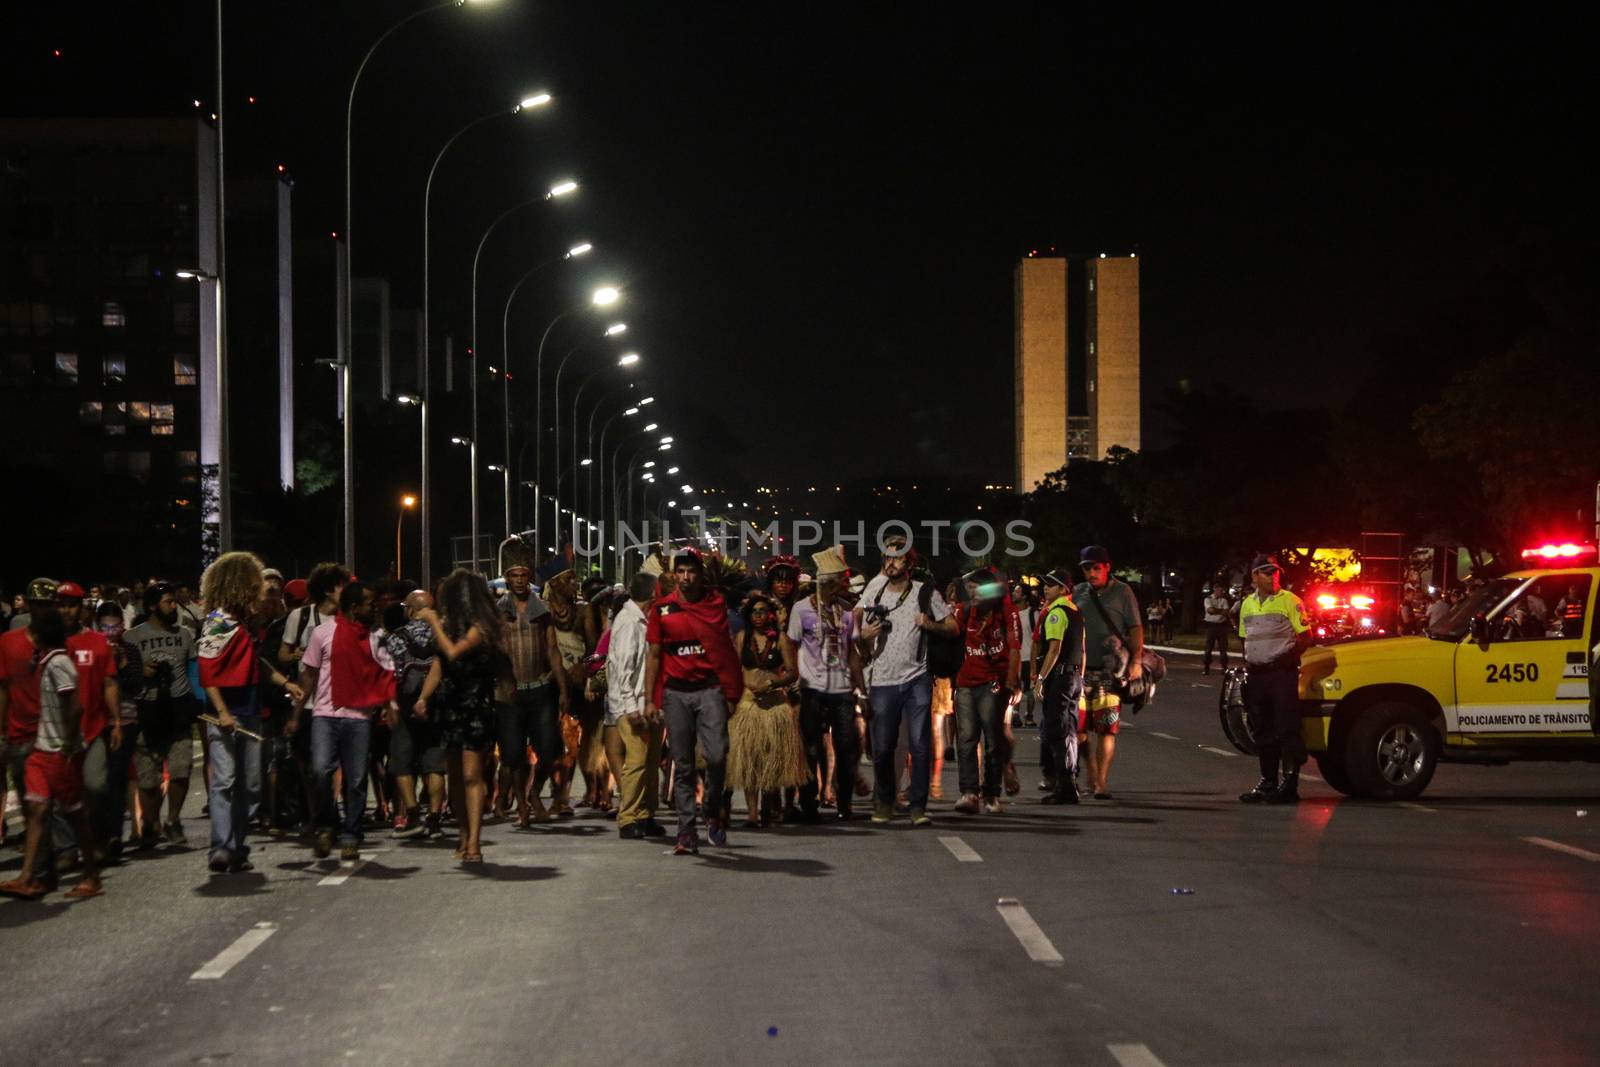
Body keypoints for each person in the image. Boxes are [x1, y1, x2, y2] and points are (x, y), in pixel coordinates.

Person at [197, 551, 305, 873]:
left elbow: (255, 663)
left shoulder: (241, 624)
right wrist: (222, 712)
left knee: (249, 784)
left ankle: (238, 847)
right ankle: (221, 847)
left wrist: (286, 681)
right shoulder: (217, 623)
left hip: (250, 709)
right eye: (256, 587)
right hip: (227, 714)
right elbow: (207, 670)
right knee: (226, 780)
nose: (262, 594)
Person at [643, 547, 744, 855]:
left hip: (710, 690)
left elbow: (724, 651)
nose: (686, 577)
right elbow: (654, 656)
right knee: (683, 765)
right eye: (681, 571)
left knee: (716, 755)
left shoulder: (714, 605)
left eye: (691, 571)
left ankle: (711, 810)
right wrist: (649, 699)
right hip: (676, 694)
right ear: (674, 575)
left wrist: (730, 692)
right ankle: (686, 831)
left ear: (700, 575)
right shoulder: (661, 609)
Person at [0, 608, 104, 900]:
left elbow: (76, 706)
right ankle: (27, 877)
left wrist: (69, 743)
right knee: (36, 810)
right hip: (42, 751)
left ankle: (92, 876)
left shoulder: (59, 663)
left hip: (59, 753)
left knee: (75, 815)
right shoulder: (48, 662)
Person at [854, 536, 956, 826]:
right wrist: (864, 635)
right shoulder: (875, 588)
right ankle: (885, 800)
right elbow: (855, 626)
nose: (891, 562)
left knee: (920, 744)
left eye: (897, 557)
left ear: (910, 563)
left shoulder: (925, 593)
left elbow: (953, 626)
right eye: (887, 557)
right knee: (883, 747)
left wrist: (931, 625)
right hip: (882, 678)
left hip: (917, 678)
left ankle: (917, 806)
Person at [293, 581, 395, 861]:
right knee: (321, 771)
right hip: (325, 714)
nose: (374, 609)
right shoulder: (322, 633)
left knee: (357, 779)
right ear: (353, 608)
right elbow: (310, 675)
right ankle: (327, 824)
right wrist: (296, 713)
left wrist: (389, 705)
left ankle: (351, 834)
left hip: (359, 717)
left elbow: (387, 673)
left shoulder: (377, 637)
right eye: (370, 604)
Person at [416, 569, 509, 864]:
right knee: (454, 776)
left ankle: (474, 842)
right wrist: (423, 697)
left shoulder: (481, 626)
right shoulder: (450, 625)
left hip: (475, 706)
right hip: (450, 705)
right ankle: (462, 832)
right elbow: (439, 664)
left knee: (472, 775)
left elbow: (454, 653)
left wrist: (433, 623)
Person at [784, 546, 866, 822]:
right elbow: (789, 643)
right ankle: (809, 804)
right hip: (812, 688)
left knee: (847, 747)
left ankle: (844, 804)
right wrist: (794, 677)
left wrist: (861, 690)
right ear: (827, 583)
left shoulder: (845, 612)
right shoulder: (801, 609)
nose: (844, 586)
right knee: (811, 749)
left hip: (841, 689)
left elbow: (852, 653)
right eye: (840, 582)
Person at [495, 538, 565, 827]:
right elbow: (496, 651)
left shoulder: (542, 609)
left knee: (549, 750)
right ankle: (522, 806)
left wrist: (562, 689)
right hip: (509, 695)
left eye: (524, 575)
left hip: (539, 690)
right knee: (511, 755)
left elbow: (552, 650)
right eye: (514, 575)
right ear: (507, 578)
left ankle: (535, 793)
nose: (520, 580)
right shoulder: (499, 610)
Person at [125, 582, 199, 847]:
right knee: (148, 776)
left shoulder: (186, 635)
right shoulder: (132, 637)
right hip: (148, 708)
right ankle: (151, 822)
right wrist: (140, 672)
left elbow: (194, 672)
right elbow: (123, 677)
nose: (173, 607)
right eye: (168, 602)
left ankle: (173, 819)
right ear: (153, 606)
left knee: (181, 769)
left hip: (178, 708)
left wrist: (197, 704)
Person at [725, 591, 807, 827]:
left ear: (770, 614)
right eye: (754, 612)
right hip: (748, 703)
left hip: (774, 705)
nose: (758, 616)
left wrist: (775, 683)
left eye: (762, 611)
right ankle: (751, 815)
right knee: (749, 760)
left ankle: (766, 811)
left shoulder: (780, 639)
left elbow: (792, 671)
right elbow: (734, 666)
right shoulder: (742, 637)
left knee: (771, 760)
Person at [56, 581, 120, 871]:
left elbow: (109, 682)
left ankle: (98, 840)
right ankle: (67, 849)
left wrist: (116, 721)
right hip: (57, 731)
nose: (66, 610)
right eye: (61, 604)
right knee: (62, 791)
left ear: (81, 608)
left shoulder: (97, 642)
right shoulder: (49, 642)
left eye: (71, 604)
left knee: (95, 785)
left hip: (93, 727)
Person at [1237, 556, 1313, 804]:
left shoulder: (1290, 601)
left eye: (1276, 572)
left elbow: (1305, 636)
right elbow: (1244, 638)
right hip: (1257, 675)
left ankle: (1290, 785)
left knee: (1286, 727)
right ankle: (1268, 783)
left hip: (1281, 674)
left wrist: (1286, 659)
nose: (1273, 576)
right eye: (1267, 573)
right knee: (1263, 731)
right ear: (1255, 577)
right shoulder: (1247, 604)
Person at [1, 579, 63, 874]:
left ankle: (59, 852)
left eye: (47, 605)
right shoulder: (9, 642)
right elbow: (3, 688)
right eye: (36, 604)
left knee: (60, 799)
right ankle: (42, 854)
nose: (41, 610)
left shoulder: (65, 640)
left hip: (56, 732)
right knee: (31, 800)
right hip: (21, 731)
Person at [1074, 545, 1143, 801]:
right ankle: (1090, 768)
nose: (1091, 573)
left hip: (1110, 672)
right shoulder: (1078, 592)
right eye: (1086, 568)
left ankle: (1101, 781)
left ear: (1107, 568)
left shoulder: (1123, 592)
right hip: (1080, 671)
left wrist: (1135, 661)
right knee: (1078, 727)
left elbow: (1136, 629)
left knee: (1106, 728)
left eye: (1096, 568)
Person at [951, 568, 1022, 815]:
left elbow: (1014, 647)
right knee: (966, 738)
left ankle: (992, 793)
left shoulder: (1007, 611)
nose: (971, 593)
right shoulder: (962, 610)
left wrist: (1012, 680)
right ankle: (969, 793)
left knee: (993, 740)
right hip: (965, 682)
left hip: (994, 681)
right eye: (968, 589)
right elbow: (950, 634)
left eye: (975, 588)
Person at [605, 571, 668, 840]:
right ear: (654, 593)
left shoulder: (645, 619)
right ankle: (628, 816)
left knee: (651, 760)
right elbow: (623, 668)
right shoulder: (629, 621)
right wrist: (631, 707)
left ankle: (646, 814)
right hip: (630, 704)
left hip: (647, 702)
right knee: (638, 760)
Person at [384, 589, 446, 838]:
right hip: (436, 706)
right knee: (435, 765)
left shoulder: (397, 637)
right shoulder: (442, 634)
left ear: (409, 610)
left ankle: (412, 814)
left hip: (406, 705)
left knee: (402, 762)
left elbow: (392, 673)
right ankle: (434, 819)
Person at [539, 555, 594, 816]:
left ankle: (562, 797)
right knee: (549, 743)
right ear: (554, 583)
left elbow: (594, 648)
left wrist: (583, 669)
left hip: (574, 683)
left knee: (571, 742)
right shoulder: (541, 609)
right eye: (568, 579)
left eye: (573, 578)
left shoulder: (584, 610)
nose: (574, 583)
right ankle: (548, 791)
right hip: (548, 682)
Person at [1032, 568, 1086, 804]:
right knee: (1070, 730)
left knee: (1057, 730)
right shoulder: (1075, 611)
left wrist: (1041, 679)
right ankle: (1070, 781)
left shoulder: (1057, 612)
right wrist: (1080, 678)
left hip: (1061, 678)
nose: (1046, 588)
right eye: (1045, 584)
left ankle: (1065, 786)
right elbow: (1082, 649)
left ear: (1064, 589)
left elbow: (1054, 649)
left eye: (1051, 585)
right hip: (1073, 677)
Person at [95, 599, 144, 859]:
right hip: (96, 722)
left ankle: (114, 835)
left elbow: (136, 685)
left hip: (125, 721)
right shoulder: (92, 650)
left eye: (114, 627)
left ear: (122, 627)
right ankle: (99, 834)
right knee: (97, 782)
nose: (110, 633)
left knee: (116, 778)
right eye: (105, 628)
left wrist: (121, 662)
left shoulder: (131, 650)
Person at [1203, 583, 1233, 675]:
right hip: (1211, 625)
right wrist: (1220, 611)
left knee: (1223, 648)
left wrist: (1216, 610)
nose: (1222, 592)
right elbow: (1210, 611)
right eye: (1220, 590)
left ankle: (1224, 667)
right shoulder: (1208, 599)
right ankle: (1206, 667)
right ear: (1215, 589)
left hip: (1221, 626)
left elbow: (1226, 612)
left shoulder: (1224, 600)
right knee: (1208, 648)